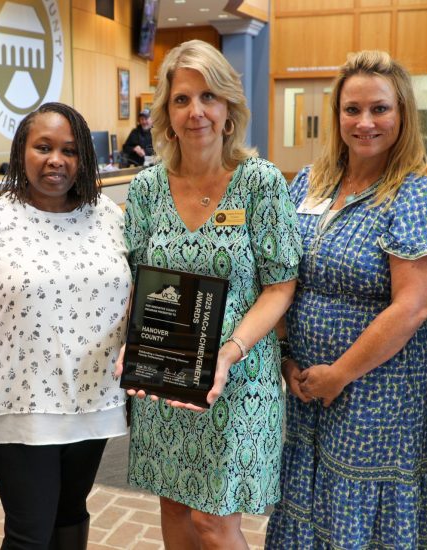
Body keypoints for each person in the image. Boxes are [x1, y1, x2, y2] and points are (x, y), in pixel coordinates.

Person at [265, 50, 427, 549]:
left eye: (380, 109)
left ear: (402, 115)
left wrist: (341, 373)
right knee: (305, 500)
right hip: (307, 382)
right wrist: (288, 358)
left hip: (378, 388)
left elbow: (412, 308)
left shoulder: (417, 194)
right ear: (337, 117)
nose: (365, 122)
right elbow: (283, 278)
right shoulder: (309, 182)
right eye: (352, 110)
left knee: (356, 511)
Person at [120, 40, 301, 549]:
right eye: (181, 99)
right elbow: (139, 277)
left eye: (208, 97)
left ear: (228, 110)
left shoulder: (260, 183)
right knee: (175, 509)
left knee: (214, 523)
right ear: (167, 113)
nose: (195, 111)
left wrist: (228, 352)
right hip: (167, 369)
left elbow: (280, 285)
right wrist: (131, 343)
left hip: (237, 375)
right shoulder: (147, 187)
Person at [0, 102, 131, 550]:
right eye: (44, 147)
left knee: (72, 512)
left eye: (70, 150)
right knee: (29, 531)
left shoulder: (109, 215)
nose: (57, 160)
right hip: (19, 400)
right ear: (21, 151)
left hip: (92, 396)